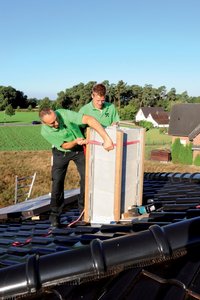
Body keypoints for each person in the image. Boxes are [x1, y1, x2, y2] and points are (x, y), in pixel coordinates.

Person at [39, 107, 114, 228]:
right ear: (44, 123)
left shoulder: (63, 113)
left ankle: (84, 211)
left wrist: (107, 139)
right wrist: (75, 142)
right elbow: (65, 145)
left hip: (79, 150)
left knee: (87, 177)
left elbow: (89, 119)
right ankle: (55, 215)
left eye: (56, 119)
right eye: (52, 123)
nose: (57, 123)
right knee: (57, 181)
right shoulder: (45, 132)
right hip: (61, 152)